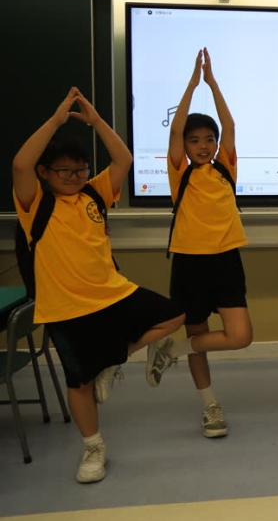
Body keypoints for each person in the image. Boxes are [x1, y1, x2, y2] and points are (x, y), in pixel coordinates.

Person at [13, 88, 185, 483]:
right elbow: (20, 163)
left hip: (113, 293)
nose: (75, 177)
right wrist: (56, 120)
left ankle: (113, 358)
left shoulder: (95, 191)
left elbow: (124, 159)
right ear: (45, 173)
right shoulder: (35, 203)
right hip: (65, 308)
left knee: (175, 315)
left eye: (81, 170)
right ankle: (93, 448)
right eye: (65, 171)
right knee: (80, 382)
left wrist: (96, 122)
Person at [160, 48, 254, 438]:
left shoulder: (225, 168)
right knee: (195, 327)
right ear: (184, 146)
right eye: (194, 140)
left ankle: (174, 351)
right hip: (189, 262)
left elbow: (229, 124)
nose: (202, 145)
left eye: (208, 139)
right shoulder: (179, 172)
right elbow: (174, 130)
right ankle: (210, 406)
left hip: (226, 261)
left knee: (241, 336)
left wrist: (212, 84)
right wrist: (191, 84)